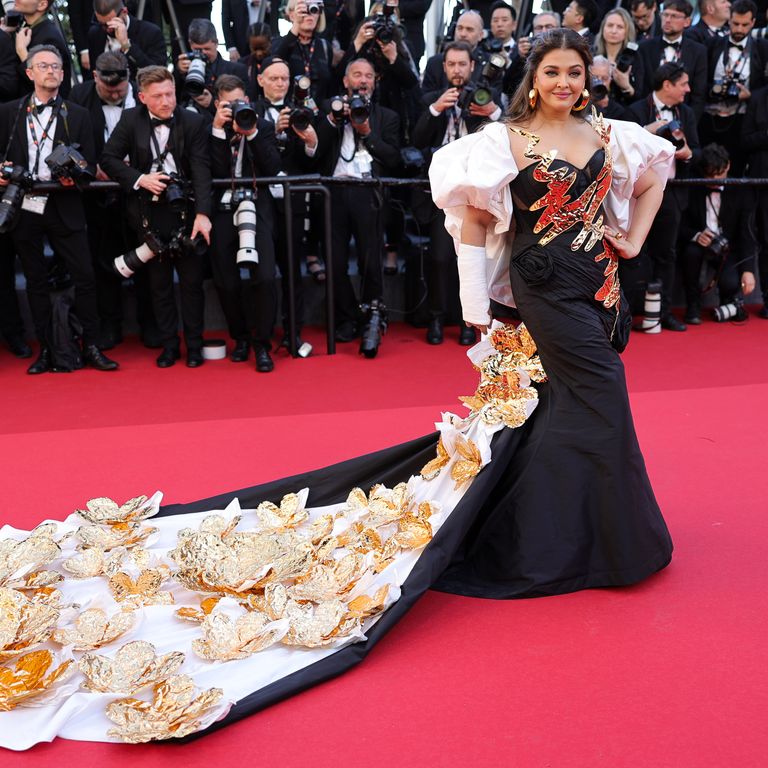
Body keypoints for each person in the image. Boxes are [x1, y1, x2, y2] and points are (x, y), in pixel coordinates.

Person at [426, 26, 673, 595]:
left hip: (600, 285)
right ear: (533, 80)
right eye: (552, 72)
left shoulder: (610, 134)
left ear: (588, 80)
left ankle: (549, 532)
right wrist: (474, 308)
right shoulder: (502, 140)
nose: (564, 82)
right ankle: (603, 542)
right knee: (603, 388)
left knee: (565, 402)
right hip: (542, 284)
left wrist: (632, 241)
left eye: (574, 73)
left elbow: (656, 175)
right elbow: (472, 221)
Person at [0, 45, 119, 373]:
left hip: (65, 205)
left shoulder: (78, 115)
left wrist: (77, 177)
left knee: (85, 276)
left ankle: (91, 345)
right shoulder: (9, 112)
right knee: (35, 280)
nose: (51, 71)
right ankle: (47, 350)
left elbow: (91, 163)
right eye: (43, 66)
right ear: (30, 73)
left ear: (64, 74)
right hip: (25, 204)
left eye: (56, 66)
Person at [100, 65, 213, 368]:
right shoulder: (130, 120)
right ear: (142, 97)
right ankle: (169, 346)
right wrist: (139, 178)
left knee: (191, 284)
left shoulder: (192, 121)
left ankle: (194, 346)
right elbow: (108, 158)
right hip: (148, 213)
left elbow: (202, 169)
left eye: (170, 94)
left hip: (186, 209)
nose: (166, 101)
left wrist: (203, 214)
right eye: (158, 96)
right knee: (159, 284)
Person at [412, 40, 500, 346]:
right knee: (439, 258)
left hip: (478, 193)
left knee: (477, 259)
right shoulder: (431, 99)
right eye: (451, 64)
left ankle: (473, 322)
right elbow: (417, 138)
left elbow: (506, 135)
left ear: (472, 66)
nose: (457, 70)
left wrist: (492, 111)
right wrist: (436, 109)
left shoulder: (487, 97)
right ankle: (437, 316)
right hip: (445, 193)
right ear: (443, 67)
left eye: (463, 64)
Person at [315, 56, 400, 344]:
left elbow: (394, 158)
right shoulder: (330, 107)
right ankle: (346, 317)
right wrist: (332, 119)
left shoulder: (387, 116)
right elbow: (315, 150)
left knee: (370, 260)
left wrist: (368, 134)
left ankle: (373, 318)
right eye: (357, 75)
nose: (363, 80)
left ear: (374, 83)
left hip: (369, 193)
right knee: (334, 261)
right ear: (345, 81)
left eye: (368, 76)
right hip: (333, 192)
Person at [209, 74, 281, 372]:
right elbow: (209, 171)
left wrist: (250, 132)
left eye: (240, 102)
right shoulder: (209, 128)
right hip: (222, 209)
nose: (236, 109)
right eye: (229, 104)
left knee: (264, 276)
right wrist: (217, 129)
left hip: (257, 206)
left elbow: (273, 167)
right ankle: (240, 338)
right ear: (217, 104)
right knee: (226, 279)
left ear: (248, 101)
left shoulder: (261, 126)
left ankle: (262, 344)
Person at [628, 61, 700, 331]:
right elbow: (623, 152)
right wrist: (647, 133)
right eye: (683, 84)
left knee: (666, 254)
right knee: (636, 251)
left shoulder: (687, 113)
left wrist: (688, 153)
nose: (688, 89)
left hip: (671, 193)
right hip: (638, 194)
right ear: (667, 85)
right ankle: (632, 311)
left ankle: (664, 312)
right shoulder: (636, 111)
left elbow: (698, 152)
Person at [678, 143, 757, 324]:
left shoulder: (740, 190)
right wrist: (697, 235)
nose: (715, 180)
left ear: (728, 165)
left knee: (730, 283)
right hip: (697, 246)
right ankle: (693, 305)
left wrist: (748, 270)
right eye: (710, 176)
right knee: (690, 254)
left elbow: (747, 233)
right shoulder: (693, 186)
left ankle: (729, 304)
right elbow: (679, 225)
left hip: (728, 248)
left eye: (719, 174)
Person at [700, 0, 767, 174]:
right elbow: (699, 81)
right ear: (729, 19)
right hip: (710, 119)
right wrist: (715, 90)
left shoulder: (762, 48)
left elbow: (763, 88)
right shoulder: (712, 44)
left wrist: (749, 96)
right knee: (706, 169)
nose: (739, 29)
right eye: (735, 23)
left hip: (741, 121)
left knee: (735, 172)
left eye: (745, 25)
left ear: (753, 23)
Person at [638, 0, 708, 119]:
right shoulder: (645, 47)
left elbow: (699, 95)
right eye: (665, 15)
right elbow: (642, 88)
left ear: (687, 22)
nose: (668, 20)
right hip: (648, 117)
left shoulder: (698, 51)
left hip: (683, 119)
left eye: (674, 16)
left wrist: (688, 125)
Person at [2, 0, 72, 97]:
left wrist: (22, 51)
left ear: (42, 4)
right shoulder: (27, 26)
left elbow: (47, 83)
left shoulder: (49, 37)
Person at [88, 0, 167, 81]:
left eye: (110, 23)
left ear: (124, 12)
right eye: (101, 24)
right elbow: (93, 74)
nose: (107, 29)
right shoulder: (95, 33)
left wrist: (126, 45)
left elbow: (158, 74)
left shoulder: (150, 32)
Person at [593, 8, 646, 106]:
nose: (613, 31)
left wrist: (626, 86)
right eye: (610, 25)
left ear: (627, 31)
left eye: (620, 27)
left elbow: (639, 97)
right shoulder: (591, 52)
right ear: (603, 28)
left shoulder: (634, 56)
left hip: (622, 112)